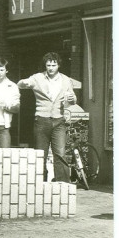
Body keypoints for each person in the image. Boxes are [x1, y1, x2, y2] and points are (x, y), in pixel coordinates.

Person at [18, 52, 77, 182]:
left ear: (59, 65)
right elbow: (20, 84)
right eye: (48, 65)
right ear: (45, 65)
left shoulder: (66, 80)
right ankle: (40, 183)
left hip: (59, 120)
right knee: (40, 154)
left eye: (54, 65)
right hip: (41, 120)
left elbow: (72, 99)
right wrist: (24, 83)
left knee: (60, 154)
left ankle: (62, 185)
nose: (50, 68)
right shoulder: (37, 78)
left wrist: (73, 99)